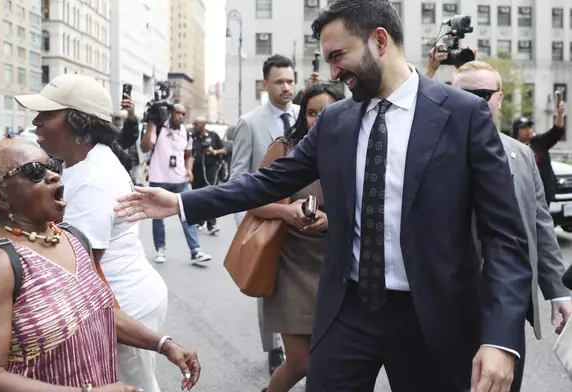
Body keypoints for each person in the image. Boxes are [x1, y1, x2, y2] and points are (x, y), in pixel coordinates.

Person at [113, 1, 532, 391]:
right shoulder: (335, 121)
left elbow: (505, 240)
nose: (333, 73)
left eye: (338, 56)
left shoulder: (463, 115)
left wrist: (501, 339)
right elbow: (269, 180)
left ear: (379, 41)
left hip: (433, 317)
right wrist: (183, 202)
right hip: (349, 309)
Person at [0, 74, 171, 392]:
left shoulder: (91, 183)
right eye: (36, 171)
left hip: (123, 305)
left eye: (47, 115)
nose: (36, 121)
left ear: (79, 124)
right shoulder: (79, 167)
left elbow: (77, 284)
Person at [452, 60, 572, 392]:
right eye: (465, 94)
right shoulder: (430, 153)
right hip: (444, 301)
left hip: (504, 302)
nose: (476, 101)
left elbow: (540, 225)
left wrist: (558, 291)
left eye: (484, 93)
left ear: (500, 98)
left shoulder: (521, 155)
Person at [257, 82, 344, 392]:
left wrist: (331, 220)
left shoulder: (354, 150)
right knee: (301, 361)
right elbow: (254, 199)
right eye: (311, 113)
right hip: (290, 266)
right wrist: (286, 212)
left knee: (329, 362)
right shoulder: (285, 148)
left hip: (335, 268)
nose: (318, 120)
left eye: (327, 112)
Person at [229, 53, 299, 374]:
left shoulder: (306, 115)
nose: (287, 87)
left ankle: (301, 341)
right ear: (265, 84)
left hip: (302, 215)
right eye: (280, 82)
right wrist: (245, 225)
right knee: (267, 284)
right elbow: (237, 179)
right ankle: (274, 348)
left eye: (290, 80)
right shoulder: (250, 123)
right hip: (266, 216)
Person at [140, 103, 211, 265]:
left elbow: (187, 155)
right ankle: (160, 249)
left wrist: (189, 170)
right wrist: (151, 123)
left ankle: (195, 251)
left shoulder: (185, 132)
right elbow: (145, 147)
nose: (181, 116)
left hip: (179, 180)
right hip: (158, 179)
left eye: (184, 114)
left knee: (188, 214)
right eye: (178, 113)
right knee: (157, 216)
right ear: (170, 113)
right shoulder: (158, 128)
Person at [512, 104, 566, 205]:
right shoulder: (512, 147)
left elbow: (556, 131)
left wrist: (559, 113)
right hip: (524, 194)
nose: (528, 129)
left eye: (529, 126)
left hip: (545, 191)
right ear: (517, 131)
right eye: (524, 127)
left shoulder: (539, 142)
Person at [191, 116, 226, 234]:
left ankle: (212, 224)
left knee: (210, 196)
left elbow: (224, 150)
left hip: (210, 171)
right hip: (196, 171)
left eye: (196, 124)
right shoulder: (191, 137)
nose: (194, 127)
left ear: (203, 125)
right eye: (194, 124)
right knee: (196, 197)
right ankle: (199, 221)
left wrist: (214, 152)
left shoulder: (213, 136)